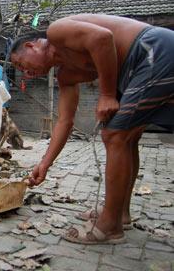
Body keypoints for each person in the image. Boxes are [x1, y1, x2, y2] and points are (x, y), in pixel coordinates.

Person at [10, 14, 174, 244]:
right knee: (128, 138)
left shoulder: (57, 32)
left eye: (20, 64)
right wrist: (45, 164)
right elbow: (64, 122)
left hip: (152, 50)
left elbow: (103, 38)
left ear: (31, 46)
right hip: (131, 72)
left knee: (115, 135)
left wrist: (107, 94)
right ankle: (120, 213)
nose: (26, 73)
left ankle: (109, 226)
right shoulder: (65, 75)